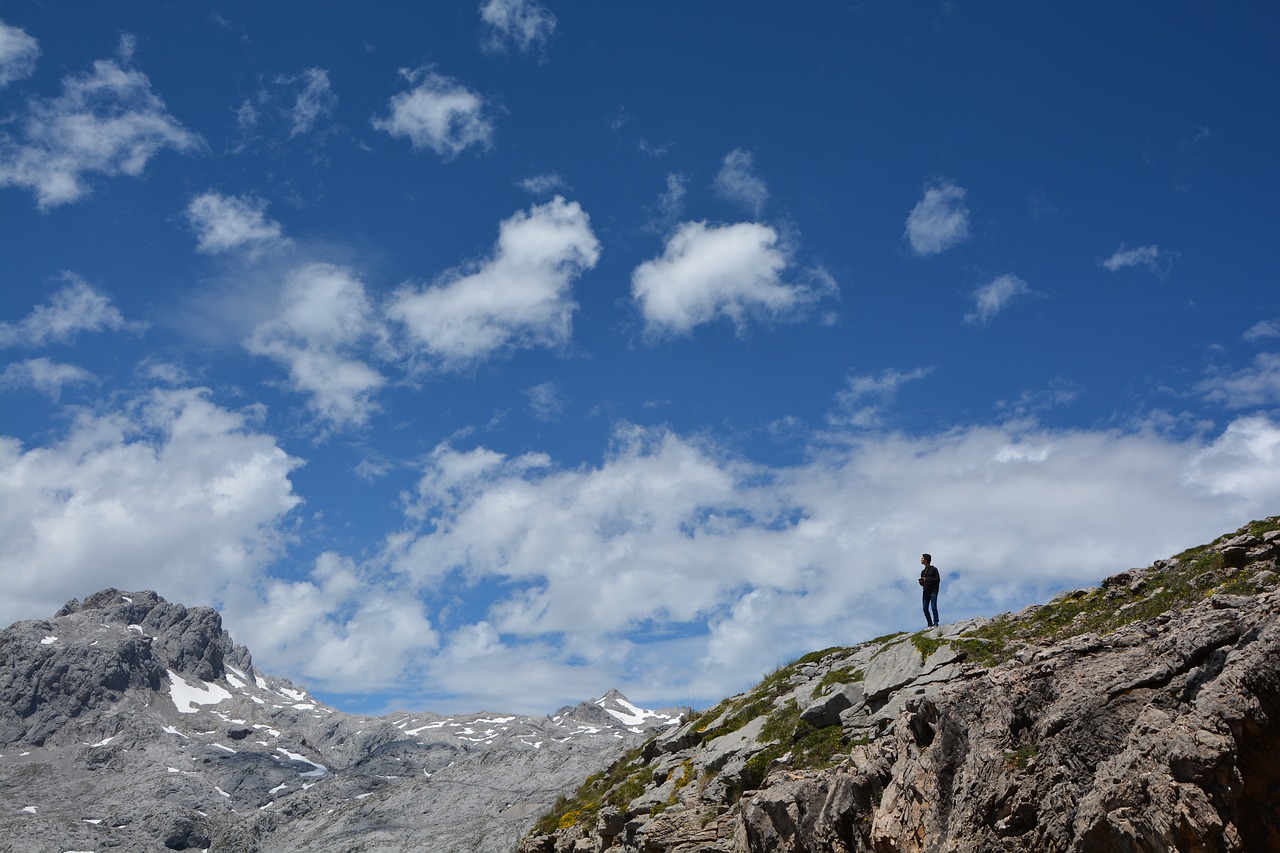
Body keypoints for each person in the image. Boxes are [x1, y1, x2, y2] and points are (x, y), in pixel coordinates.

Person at [918, 553, 940, 628]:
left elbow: (937, 580)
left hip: (933, 591)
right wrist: (921, 582)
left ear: (926, 560)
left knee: (933, 607)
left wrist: (926, 579)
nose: (921, 559)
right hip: (925, 592)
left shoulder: (934, 569)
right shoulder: (923, 572)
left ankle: (936, 623)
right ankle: (929, 624)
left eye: (922, 558)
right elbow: (924, 584)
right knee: (925, 608)